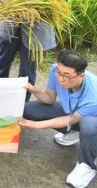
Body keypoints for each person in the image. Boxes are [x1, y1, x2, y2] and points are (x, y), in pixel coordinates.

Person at [20, 50, 97, 188]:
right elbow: (49, 99)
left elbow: (72, 119)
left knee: (88, 125)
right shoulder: (56, 69)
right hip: (74, 114)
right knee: (29, 109)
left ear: (81, 76)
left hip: (90, 120)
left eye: (66, 76)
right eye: (59, 73)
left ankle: (87, 164)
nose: (60, 79)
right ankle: (74, 133)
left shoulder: (94, 94)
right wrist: (32, 89)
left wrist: (36, 125)